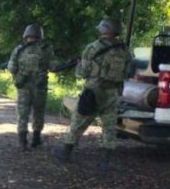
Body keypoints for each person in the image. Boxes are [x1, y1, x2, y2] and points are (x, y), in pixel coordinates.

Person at [52, 18, 131, 169]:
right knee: (109, 125)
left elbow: (81, 73)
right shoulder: (124, 50)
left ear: (103, 29)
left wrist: (78, 65)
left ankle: (66, 152)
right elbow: (127, 71)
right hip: (112, 92)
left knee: (79, 120)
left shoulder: (93, 47)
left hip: (93, 91)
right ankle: (106, 161)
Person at [8, 23, 57, 150]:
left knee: (23, 113)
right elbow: (53, 67)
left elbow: (12, 67)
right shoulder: (46, 49)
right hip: (40, 86)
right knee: (38, 112)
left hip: (23, 85)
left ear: (26, 34)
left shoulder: (19, 49)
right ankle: (36, 139)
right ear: (40, 35)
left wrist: (20, 74)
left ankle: (22, 142)